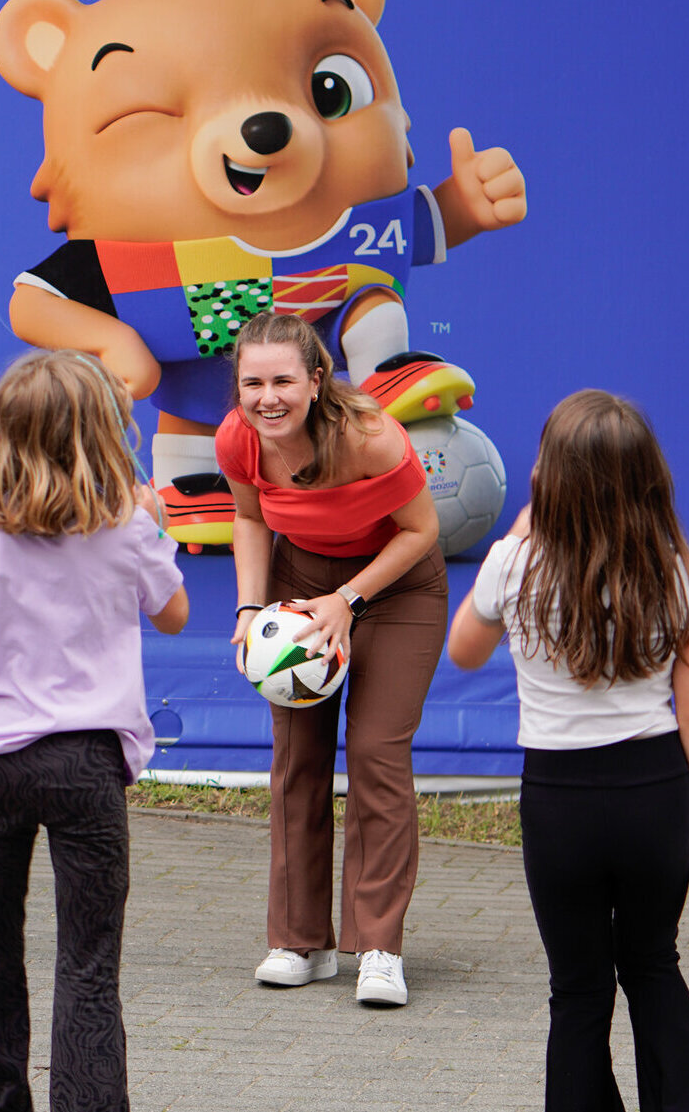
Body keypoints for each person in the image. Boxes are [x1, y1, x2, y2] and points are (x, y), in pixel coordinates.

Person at [0, 349, 188, 1112]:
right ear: (103, 435)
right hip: (91, 765)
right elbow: (173, 615)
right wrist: (153, 525)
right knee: (90, 966)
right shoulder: (126, 525)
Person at [447, 390, 689, 1112]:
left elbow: (464, 651)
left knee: (577, 990)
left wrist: (514, 538)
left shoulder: (515, 563)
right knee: (653, 967)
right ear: (648, 478)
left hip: (559, 802)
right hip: (654, 795)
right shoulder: (682, 574)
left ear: (551, 478)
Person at [220, 312, 444, 1007]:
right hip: (299, 577)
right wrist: (251, 610)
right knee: (298, 755)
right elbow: (251, 519)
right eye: (252, 382)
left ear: (316, 381)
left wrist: (348, 598)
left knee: (377, 750)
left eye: (283, 379)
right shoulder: (240, 441)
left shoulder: (373, 436)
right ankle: (301, 942)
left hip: (395, 584)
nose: (268, 397)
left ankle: (379, 947)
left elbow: (422, 530)